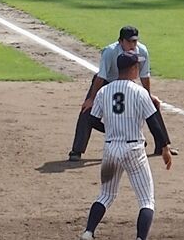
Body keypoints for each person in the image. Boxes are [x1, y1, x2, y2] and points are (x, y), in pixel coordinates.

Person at [78, 51, 172, 240]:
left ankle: (88, 232)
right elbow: (154, 122)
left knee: (105, 195)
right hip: (134, 150)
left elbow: (92, 120)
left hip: (111, 149)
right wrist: (164, 147)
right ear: (133, 69)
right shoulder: (140, 92)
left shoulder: (104, 92)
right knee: (146, 200)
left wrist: (110, 129)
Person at [68, 25, 178, 161]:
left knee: (152, 105)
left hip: (127, 81)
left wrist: (148, 95)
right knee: (87, 111)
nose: (132, 45)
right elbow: (101, 76)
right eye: (129, 41)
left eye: (135, 41)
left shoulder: (142, 51)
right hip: (106, 82)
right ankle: (77, 150)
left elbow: (144, 75)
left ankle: (163, 145)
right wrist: (91, 98)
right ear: (120, 41)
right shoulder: (110, 52)